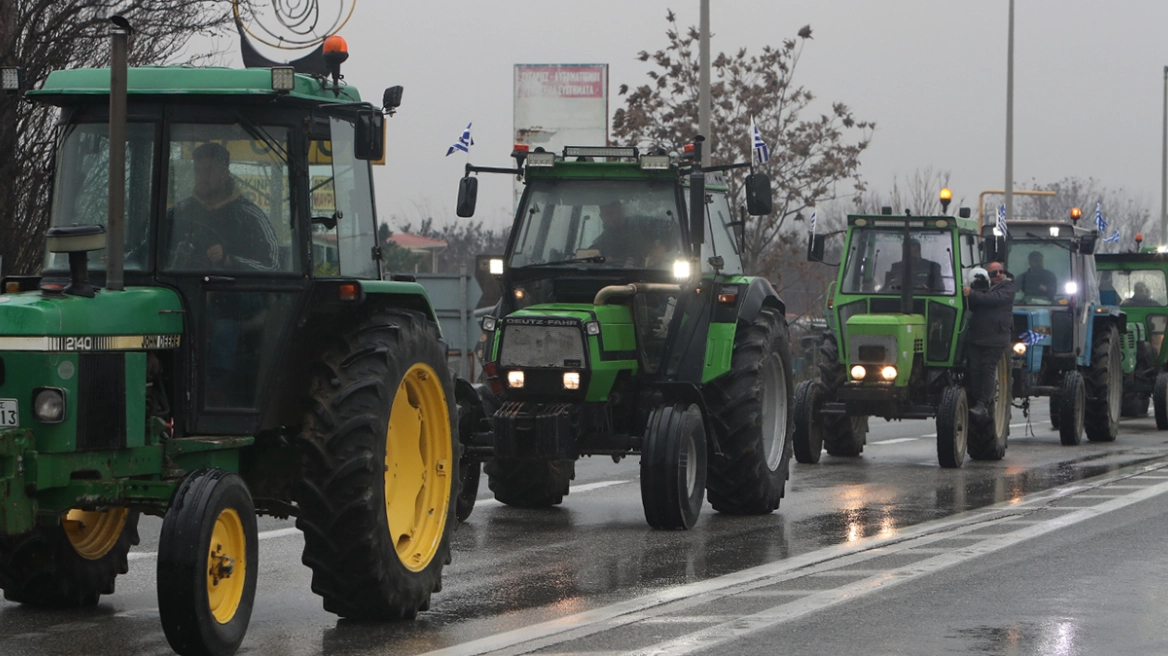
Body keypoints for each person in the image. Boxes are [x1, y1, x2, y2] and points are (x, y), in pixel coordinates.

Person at [169, 142, 280, 271]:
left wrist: (229, 260)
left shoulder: (251, 217)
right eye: (197, 170)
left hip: (235, 284)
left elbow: (273, 267)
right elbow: (150, 256)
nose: (202, 177)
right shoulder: (177, 214)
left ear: (225, 174)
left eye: (208, 170)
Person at [963, 261, 1015, 422]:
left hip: (996, 338)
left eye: (1000, 271)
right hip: (977, 337)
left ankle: (983, 404)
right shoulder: (981, 287)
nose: (998, 275)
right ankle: (976, 400)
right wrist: (973, 290)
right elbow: (971, 305)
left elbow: (993, 299)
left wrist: (972, 293)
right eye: (993, 273)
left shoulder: (1007, 287)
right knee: (974, 370)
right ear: (987, 275)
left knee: (988, 369)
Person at [589, 200, 666, 268]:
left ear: (622, 212)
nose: (614, 217)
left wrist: (661, 247)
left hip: (649, 273)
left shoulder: (639, 224)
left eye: (617, 212)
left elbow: (669, 228)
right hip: (612, 276)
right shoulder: (600, 242)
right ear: (602, 217)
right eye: (609, 214)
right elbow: (588, 257)